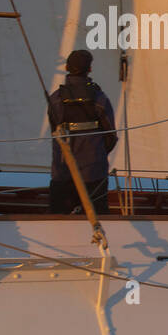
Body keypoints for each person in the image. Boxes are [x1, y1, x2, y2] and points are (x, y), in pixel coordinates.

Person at [46, 49, 117, 214]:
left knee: (59, 223)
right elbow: (111, 137)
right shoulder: (100, 99)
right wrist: (97, 152)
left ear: (66, 67)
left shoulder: (55, 100)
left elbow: (54, 134)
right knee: (97, 216)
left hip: (62, 172)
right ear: (90, 69)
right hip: (94, 173)